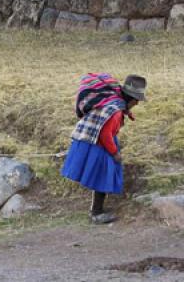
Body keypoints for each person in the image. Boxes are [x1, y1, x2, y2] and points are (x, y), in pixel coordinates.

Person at [60, 73, 147, 224]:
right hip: (98, 144)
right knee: (102, 177)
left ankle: (96, 210)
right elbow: (105, 134)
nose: (137, 104)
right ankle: (96, 213)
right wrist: (115, 153)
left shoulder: (112, 102)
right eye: (137, 100)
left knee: (100, 177)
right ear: (131, 98)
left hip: (91, 140)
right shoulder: (116, 111)